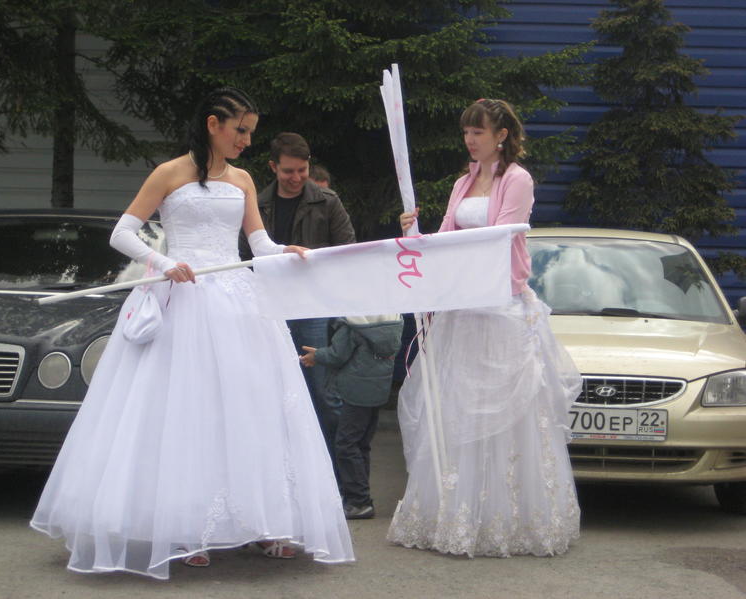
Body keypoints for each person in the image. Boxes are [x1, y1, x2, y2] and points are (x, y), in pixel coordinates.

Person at [30, 87, 354, 579]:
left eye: (250, 131)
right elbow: (122, 232)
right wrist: (162, 262)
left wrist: (285, 250)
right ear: (212, 125)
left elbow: (258, 242)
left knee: (252, 408)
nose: (246, 140)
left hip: (236, 302)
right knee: (187, 412)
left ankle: (265, 520)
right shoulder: (169, 173)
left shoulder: (243, 179)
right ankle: (186, 527)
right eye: (240, 130)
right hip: (183, 300)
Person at [386, 98, 582, 557]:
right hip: (464, 308)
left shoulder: (518, 179)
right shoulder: (463, 182)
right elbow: (444, 238)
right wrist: (415, 234)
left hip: (500, 305)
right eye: (467, 132)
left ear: (501, 135)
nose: (470, 140)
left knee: (510, 411)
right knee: (459, 407)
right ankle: (455, 514)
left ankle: (508, 518)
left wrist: (450, 252)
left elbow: (502, 236)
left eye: (479, 132)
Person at [239, 133, 355, 473]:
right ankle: (285, 473)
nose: (296, 177)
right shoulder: (257, 203)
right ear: (273, 167)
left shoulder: (327, 201)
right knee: (273, 392)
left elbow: (347, 250)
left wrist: (310, 266)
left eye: (302, 170)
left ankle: (333, 476)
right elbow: (243, 256)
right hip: (270, 306)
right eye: (288, 171)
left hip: (313, 307)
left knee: (323, 394)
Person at [299, 313, 404, 520]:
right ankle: (360, 498)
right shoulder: (393, 321)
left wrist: (316, 356)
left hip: (354, 392)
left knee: (346, 445)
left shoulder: (353, 325)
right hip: (377, 390)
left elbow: (337, 355)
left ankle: (358, 501)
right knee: (361, 444)